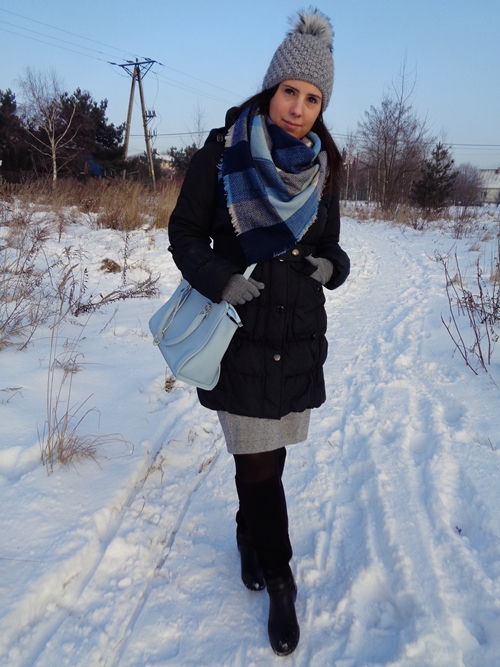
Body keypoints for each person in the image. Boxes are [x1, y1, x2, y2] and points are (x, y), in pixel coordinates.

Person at [168, 8, 350, 656]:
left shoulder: (322, 166)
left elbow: (331, 244)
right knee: (260, 466)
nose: (298, 108)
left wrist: (334, 267)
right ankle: (280, 579)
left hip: (295, 337)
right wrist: (220, 278)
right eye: (290, 91)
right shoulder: (221, 155)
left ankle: (249, 534)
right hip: (242, 336)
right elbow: (184, 232)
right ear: (271, 88)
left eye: (313, 98)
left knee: (269, 460)